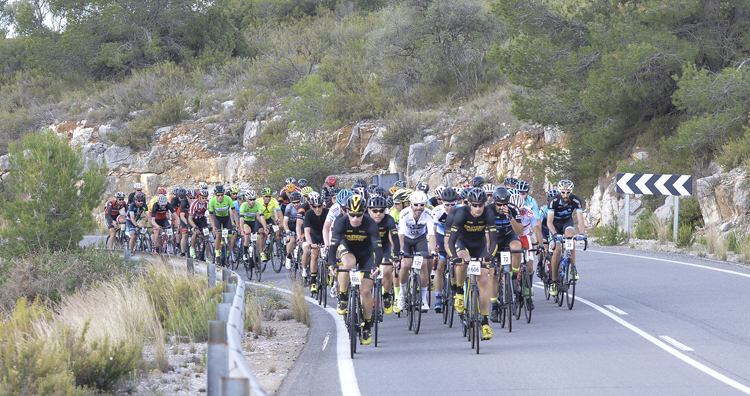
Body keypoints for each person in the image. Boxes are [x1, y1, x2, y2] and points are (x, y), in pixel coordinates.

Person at [329, 194, 383, 346]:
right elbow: (333, 247)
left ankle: (367, 324)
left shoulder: (370, 223)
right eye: (352, 215)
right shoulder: (341, 223)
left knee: (365, 291)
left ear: (364, 212)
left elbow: (378, 249)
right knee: (347, 264)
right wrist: (332, 264)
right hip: (348, 249)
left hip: (366, 254)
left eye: (358, 215)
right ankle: (343, 297)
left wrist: (376, 266)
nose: (355, 219)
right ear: (346, 212)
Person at [446, 187, 497, 340]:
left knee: (483, 280)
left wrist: (489, 256)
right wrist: (454, 257)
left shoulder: (488, 213)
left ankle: (486, 323)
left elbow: (493, 241)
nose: (477, 208)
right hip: (463, 242)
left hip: (480, 245)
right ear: (469, 204)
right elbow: (451, 241)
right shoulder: (461, 214)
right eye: (474, 205)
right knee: (463, 261)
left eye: (480, 205)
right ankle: (460, 293)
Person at [396, 190, 436, 313]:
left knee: (424, 264)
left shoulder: (428, 214)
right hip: (406, 239)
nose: (419, 208)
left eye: (422, 205)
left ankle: (423, 299)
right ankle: (401, 295)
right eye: (416, 205)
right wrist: (401, 251)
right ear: (411, 204)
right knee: (406, 264)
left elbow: (431, 234)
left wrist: (433, 251)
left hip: (419, 239)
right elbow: (401, 234)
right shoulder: (404, 213)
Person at [547, 180, 586, 296]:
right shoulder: (553, 201)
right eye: (563, 192)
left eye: (568, 192)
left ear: (571, 192)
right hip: (555, 225)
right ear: (560, 192)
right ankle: (554, 282)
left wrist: (582, 234)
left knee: (570, 237)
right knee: (557, 252)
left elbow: (580, 220)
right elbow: (549, 222)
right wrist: (554, 234)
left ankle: (573, 267)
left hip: (567, 223)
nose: (565, 195)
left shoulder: (576, 200)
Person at [367, 195, 399, 314]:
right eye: (375, 211)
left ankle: (386, 296)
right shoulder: (364, 220)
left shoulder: (389, 219)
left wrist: (396, 255)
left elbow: (395, 238)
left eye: (381, 210)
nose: (378, 214)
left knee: (386, 270)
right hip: (368, 248)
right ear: (369, 210)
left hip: (384, 247)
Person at [431, 187, 460, 313]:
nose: (450, 208)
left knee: (456, 262)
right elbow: (434, 230)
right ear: (442, 202)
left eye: (453, 205)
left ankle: (454, 290)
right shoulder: (437, 211)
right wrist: (435, 247)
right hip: (442, 236)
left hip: (457, 236)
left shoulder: (461, 210)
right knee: (440, 266)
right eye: (447, 205)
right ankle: (438, 299)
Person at [302, 193, 329, 294]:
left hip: (324, 234)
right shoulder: (309, 214)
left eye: (319, 206)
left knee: (329, 252)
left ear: (323, 205)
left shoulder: (327, 212)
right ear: (311, 206)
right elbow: (307, 232)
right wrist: (310, 244)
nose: (318, 209)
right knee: (314, 254)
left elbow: (332, 228)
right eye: (315, 207)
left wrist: (329, 243)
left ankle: (329, 274)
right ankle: (313, 281)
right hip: (314, 235)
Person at [208, 185, 238, 263]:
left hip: (226, 218)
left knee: (230, 237)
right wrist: (213, 226)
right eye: (218, 195)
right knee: (218, 235)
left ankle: (227, 254)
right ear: (215, 195)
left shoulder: (228, 199)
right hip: (217, 217)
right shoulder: (212, 201)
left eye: (222, 195)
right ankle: (217, 255)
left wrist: (237, 225)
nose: (220, 197)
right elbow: (211, 216)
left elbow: (234, 213)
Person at [259, 187, 283, 262]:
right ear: (262, 196)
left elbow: (279, 211)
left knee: (275, 230)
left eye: (270, 196)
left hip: (268, 218)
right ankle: (261, 253)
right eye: (266, 196)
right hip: (259, 218)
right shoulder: (258, 202)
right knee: (262, 233)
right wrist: (265, 225)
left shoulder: (274, 201)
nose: (268, 198)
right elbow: (258, 216)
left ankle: (270, 246)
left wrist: (282, 223)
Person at [188, 189, 211, 260]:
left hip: (201, 219)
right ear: (199, 197)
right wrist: (194, 226)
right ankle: (192, 248)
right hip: (193, 219)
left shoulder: (207, 203)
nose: (204, 199)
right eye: (203, 198)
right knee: (196, 232)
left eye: (206, 198)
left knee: (206, 236)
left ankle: (207, 257)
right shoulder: (194, 203)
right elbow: (190, 218)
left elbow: (212, 214)